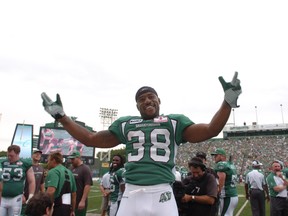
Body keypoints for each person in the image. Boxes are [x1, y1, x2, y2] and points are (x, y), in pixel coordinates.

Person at [41, 72, 242, 216]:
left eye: (151, 97)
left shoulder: (174, 122)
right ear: (137, 105)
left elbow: (210, 130)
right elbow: (91, 139)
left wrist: (227, 102)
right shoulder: (127, 123)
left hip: (162, 192)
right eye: (142, 99)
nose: (147, 101)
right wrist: (62, 117)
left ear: (159, 101)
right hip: (131, 193)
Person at [0, 145, 35, 216]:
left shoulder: (25, 163)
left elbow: (31, 181)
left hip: (16, 198)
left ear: (18, 153)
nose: (9, 157)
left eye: (11, 156)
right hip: (2, 197)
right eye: (8, 155)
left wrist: (31, 196)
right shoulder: (2, 162)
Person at [45, 152, 77, 216]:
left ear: (53, 160)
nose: (47, 163)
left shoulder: (54, 171)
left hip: (56, 208)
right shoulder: (69, 172)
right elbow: (74, 194)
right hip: (67, 208)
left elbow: (50, 192)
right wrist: (73, 210)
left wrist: (48, 208)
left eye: (48, 160)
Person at [211, 148, 238, 216]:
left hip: (227, 195)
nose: (214, 157)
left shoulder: (221, 164)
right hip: (233, 194)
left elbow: (221, 179)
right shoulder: (230, 164)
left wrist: (218, 192)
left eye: (216, 155)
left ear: (222, 156)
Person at [68, 151, 93, 216]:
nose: (71, 161)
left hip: (79, 200)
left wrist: (82, 201)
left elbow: (87, 185)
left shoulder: (85, 169)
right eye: (71, 159)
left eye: (73, 159)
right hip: (69, 201)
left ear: (78, 158)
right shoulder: (70, 168)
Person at [22, 148, 45, 215]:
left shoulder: (41, 168)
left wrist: (43, 196)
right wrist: (21, 194)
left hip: (35, 199)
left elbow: (42, 184)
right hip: (24, 197)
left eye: (39, 154)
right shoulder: (26, 166)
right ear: (32, 155)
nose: (38, 155)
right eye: (36, 153)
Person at [195, 151, 219, 216]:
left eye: (201, 159)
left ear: (205, 161)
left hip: (209, 205)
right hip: (196, 204)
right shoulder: (191, 173)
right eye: (198, 158)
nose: (199, 160)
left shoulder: (211, 172)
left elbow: (217, 188)